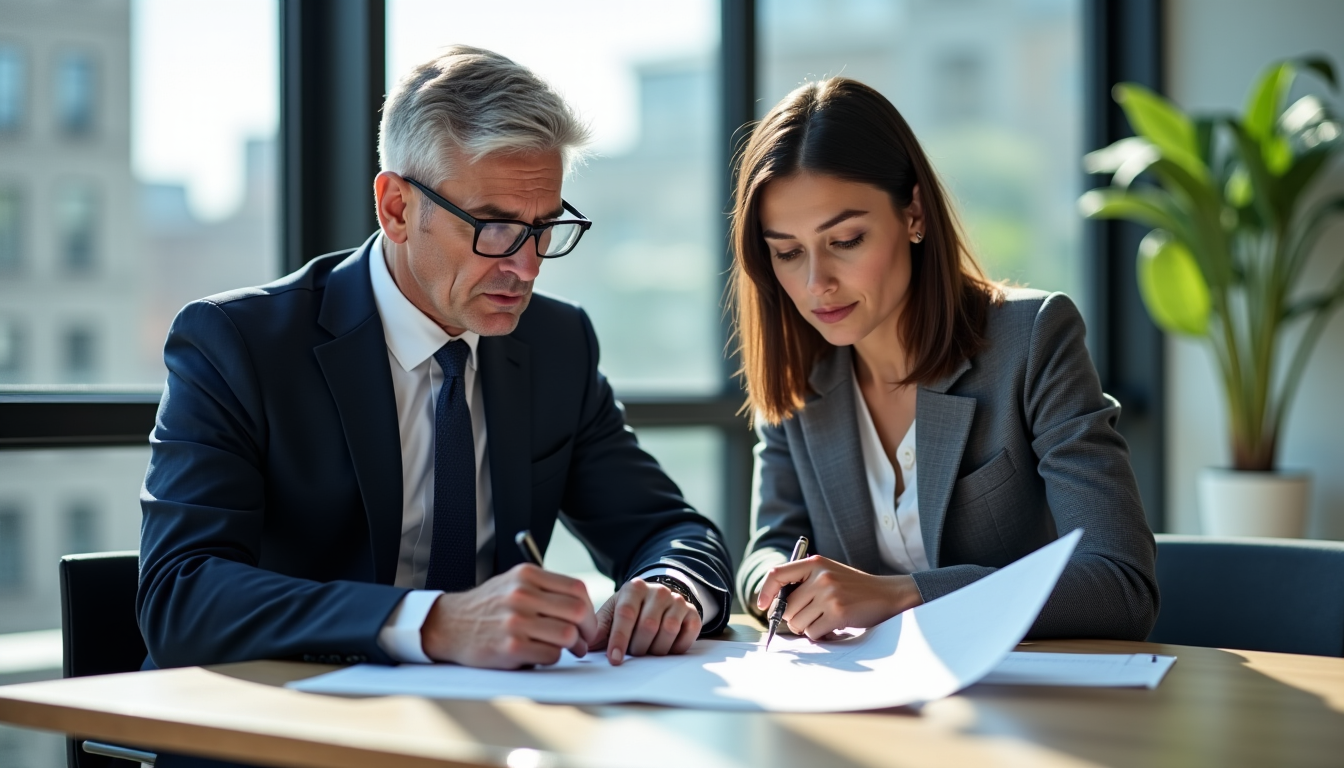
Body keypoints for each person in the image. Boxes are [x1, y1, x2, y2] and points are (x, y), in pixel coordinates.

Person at [138, 44, 733, 697]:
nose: (528, 266)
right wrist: (433, 623)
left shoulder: (557, 344)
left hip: (491, 727)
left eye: (544, 227)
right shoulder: (238, 344)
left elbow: (670, 530)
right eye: (496, 228)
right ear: (396, 207)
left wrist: (671, 589)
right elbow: (181, 593)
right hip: (279, 724)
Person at [731, 78, 1158, 642]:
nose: (816, 284)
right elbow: (767, 551)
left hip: (1036, 706)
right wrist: (781, 586)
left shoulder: (1031, 340)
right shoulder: (800, 378)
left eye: (847, 240)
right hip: (876, 706)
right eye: (787, 252)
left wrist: (901, 594)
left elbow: (1121, 585)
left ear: (913, 213)